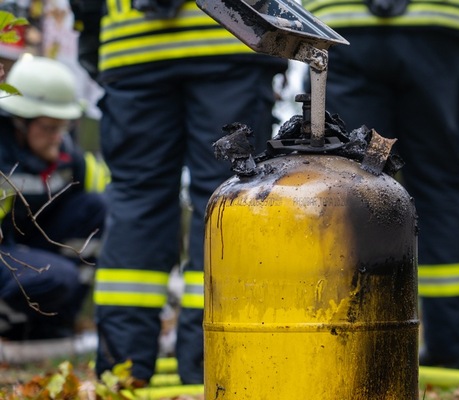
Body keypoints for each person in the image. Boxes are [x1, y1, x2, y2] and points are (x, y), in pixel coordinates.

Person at [71, 0, 288, 385]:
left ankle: (122, 368)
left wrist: (90, 33)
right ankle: (212, 367)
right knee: (227, 199)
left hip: (132, 46)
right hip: (230, 35)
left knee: (136, 201)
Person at [302, 0, 459, 370]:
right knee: (439, 184)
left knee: (355, 187)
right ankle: (455, 343)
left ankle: (358, 346)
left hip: (342, 24)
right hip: (438, 24)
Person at [0, 55, 107, 341]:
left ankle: (56, 324)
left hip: (28, 246)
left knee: (97, 208)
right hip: (4, 250)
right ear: (19, 121)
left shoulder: (67, 157)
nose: (58, 137)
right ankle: (10, 326)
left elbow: (87, 208)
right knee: (56, 276)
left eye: (64, 127)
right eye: (49, 128)